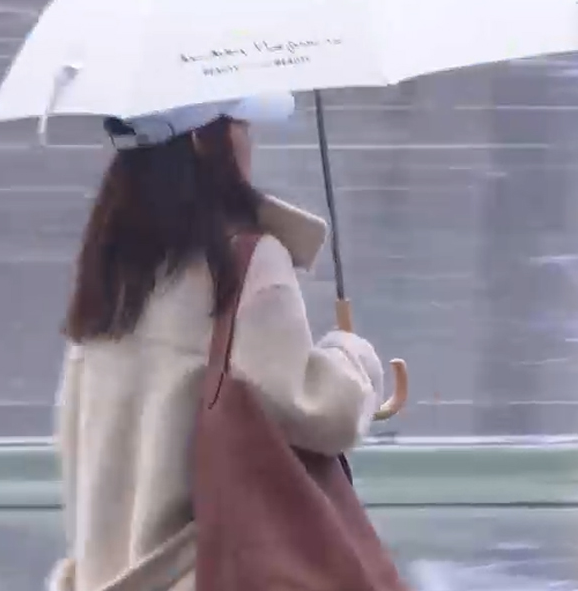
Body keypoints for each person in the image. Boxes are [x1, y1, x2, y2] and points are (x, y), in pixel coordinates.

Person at [47, 95, 385, 591]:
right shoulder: (244, 264)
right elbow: (315, 409)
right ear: (203, 141)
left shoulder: (108, 274)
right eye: (240, 125)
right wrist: (353, 358)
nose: (249, 140)